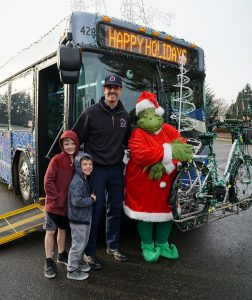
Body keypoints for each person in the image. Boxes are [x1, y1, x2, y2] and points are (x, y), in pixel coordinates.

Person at [73, 74, 131, 270]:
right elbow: (75, 139)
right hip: (96, 170)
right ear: (103, 89)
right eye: (109, 87)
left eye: (116, 87)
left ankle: (112, 246)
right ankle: (89, 252)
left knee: (115, 209)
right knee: (96, 210)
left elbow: (130, 142)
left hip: (116, 169)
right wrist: (79, 165)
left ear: (121, 91)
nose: (112, 91)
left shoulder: (125, 116)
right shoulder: (90, 113)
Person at [43, 130, 79, 279]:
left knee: (63, 229)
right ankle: (48, 261)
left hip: (67, 206)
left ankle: (61, 254)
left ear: (77, 144)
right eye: (66, 143)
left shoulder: (79, 160)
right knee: (51, 232)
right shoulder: (56, 160)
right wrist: (56, 198)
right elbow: (48, 180)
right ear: (62, 145)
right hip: (53, 204)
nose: (70, 146)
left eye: (72, 143)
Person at [67, 152, 96, 281]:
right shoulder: (77, 182)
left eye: (90, 164)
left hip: (83, 218)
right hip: (78, 219)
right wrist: (91, 199)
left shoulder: (83, 178)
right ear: (78, 166)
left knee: (82, 243)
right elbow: (76, 201)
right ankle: (72, 270)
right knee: (78, 245)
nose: (88, 167)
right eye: (84, 164)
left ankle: (78, 264)